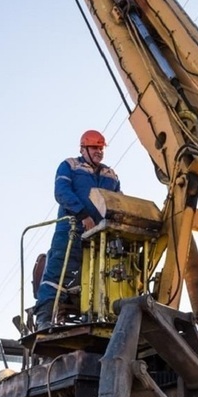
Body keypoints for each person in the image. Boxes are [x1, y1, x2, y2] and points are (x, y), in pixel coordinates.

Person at [34, 130, 121, 330]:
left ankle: (92, 316)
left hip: (100, 235)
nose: (99, 152)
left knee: (99, 275)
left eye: (101, 148)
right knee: (59, 271)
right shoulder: (70, 166)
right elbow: (62, 192)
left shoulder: (110, 174)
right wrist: (83, 215)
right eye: (94, 147)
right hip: (71, 228)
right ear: (83, 148)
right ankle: (44, 318)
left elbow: (118, 200)